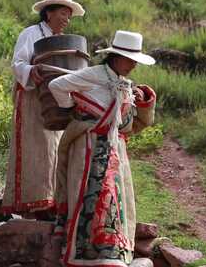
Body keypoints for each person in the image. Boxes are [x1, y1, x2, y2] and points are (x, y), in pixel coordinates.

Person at [48, 30, 157, 266]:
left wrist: (142, 100)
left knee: (111, 199)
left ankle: (111, 252)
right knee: (87, 196)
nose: (132, 66)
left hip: (113, 151)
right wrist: (74, 107)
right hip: (87, 146)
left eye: (134, 61)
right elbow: (57, 85)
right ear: (115, 57)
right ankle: (82, 253)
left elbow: (130, 125)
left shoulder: (124, 85)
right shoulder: (93, 75)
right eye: (129, 60)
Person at [1, 0, 85, 219]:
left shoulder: (62, 41)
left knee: (54, 149)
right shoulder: (31, 34)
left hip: (55, 104)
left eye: (69, 15)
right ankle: (34, 203)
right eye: (63, 13)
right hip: (32, 102)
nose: (67, 19)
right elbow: (18, 63)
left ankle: (52, 201)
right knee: (35, 149)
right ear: (49, 13)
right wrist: (32, 70)